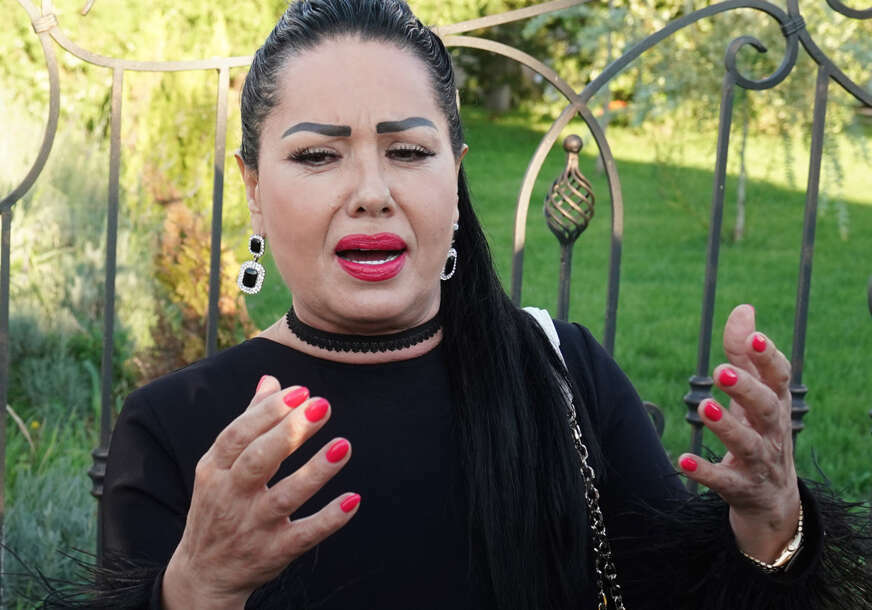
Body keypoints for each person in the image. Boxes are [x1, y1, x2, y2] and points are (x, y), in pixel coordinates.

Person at [91, 1, 870, 609]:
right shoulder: (174, 428)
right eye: (318, 155)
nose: (372, 192)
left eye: (408, 152)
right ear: (255, 187)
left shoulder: (564, 374)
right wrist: (196, 587)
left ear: (454, 176)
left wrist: (772, 524)